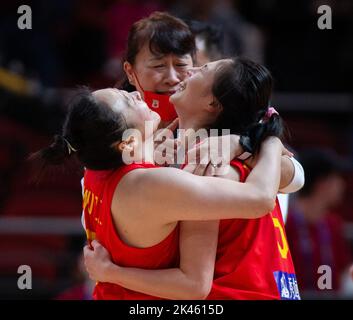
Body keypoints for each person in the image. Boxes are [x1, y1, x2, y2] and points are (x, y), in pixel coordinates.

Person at [84, 58, 302, 300]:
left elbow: (194, 284)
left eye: (203, 69)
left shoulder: (208, 166)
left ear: (212, 103)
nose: (190, 71)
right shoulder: (239, 153)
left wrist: (112, 273)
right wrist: (263, 139)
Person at [286, 149, 353, 295]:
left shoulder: (333, 224)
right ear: (322, 183)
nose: (342, 185)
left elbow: (343, 271)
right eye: (337, 178)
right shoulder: (287, 223)